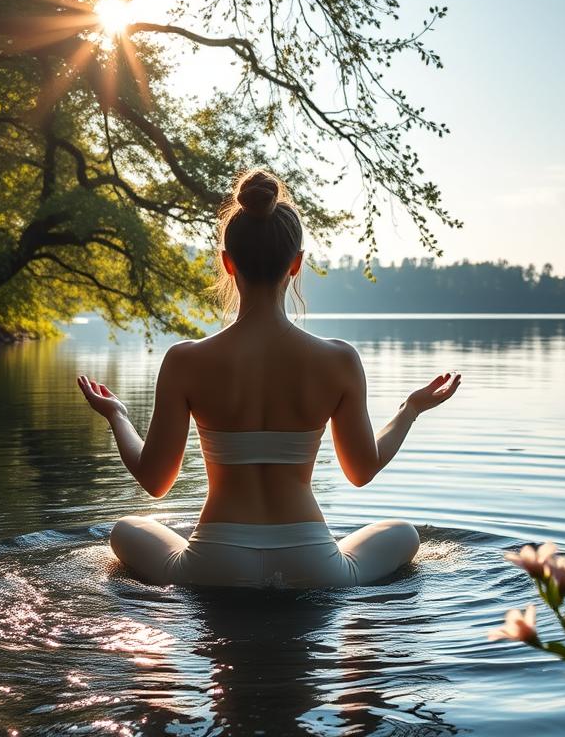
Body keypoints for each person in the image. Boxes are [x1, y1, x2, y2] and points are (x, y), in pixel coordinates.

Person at [78, 168, 461, 589]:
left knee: (125, 528)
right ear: (296, 265)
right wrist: (410, 410)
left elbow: (155, 481)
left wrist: (117, 416)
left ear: (227, 262)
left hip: (213, 563)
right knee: (404, 532)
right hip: (313, 564)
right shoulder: (339, 360)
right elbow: (361, 470)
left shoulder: (185, 360)